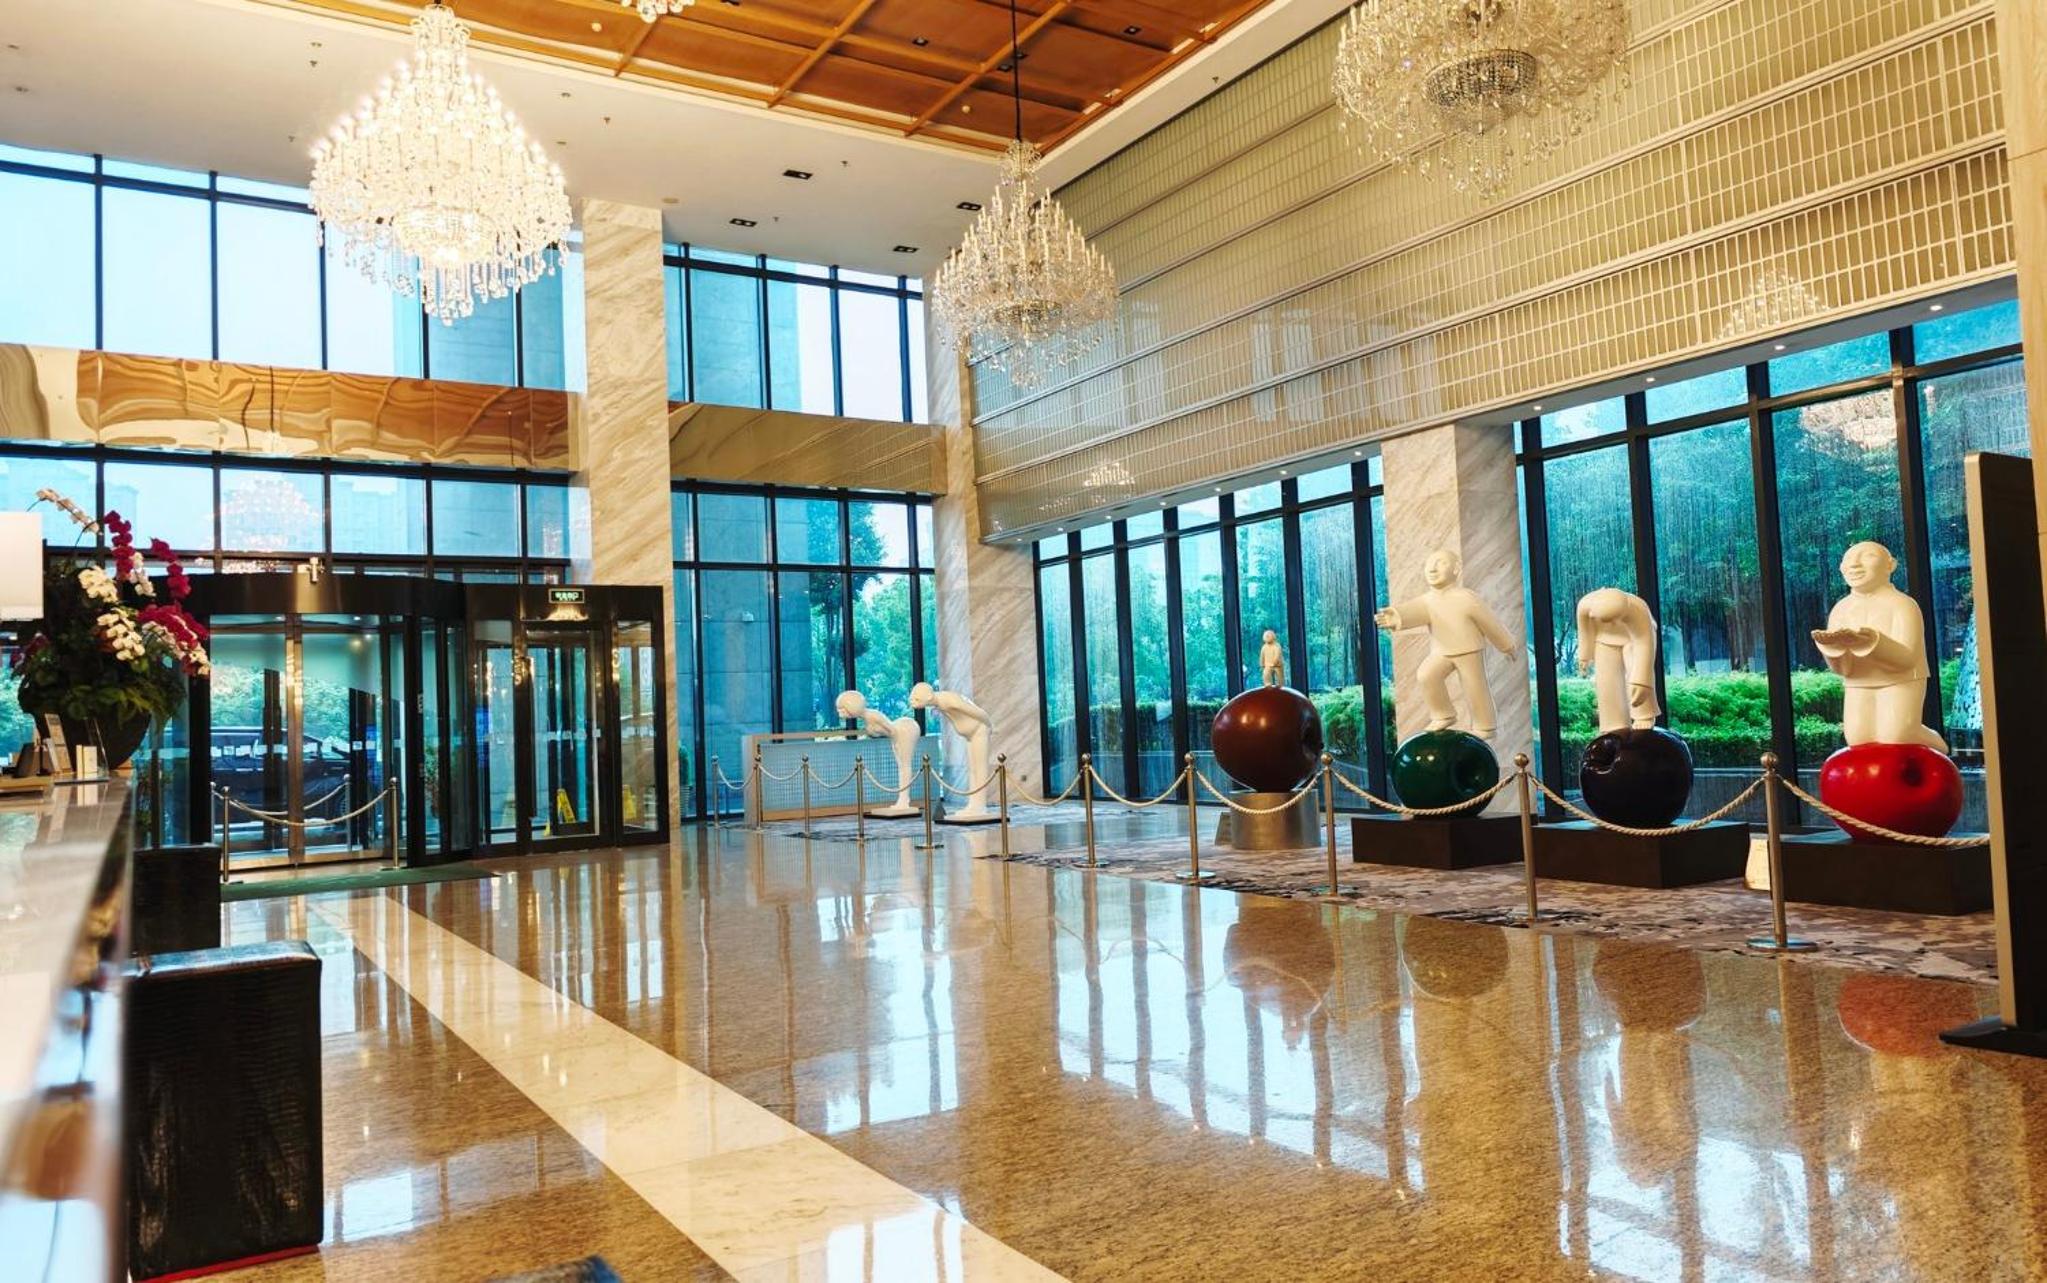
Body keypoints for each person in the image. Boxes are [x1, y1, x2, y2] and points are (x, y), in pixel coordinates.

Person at [1811, 541, 1947, 751]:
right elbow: (1842, 669)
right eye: (1847, 560)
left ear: (1890, 565)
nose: (1854, 565)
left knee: (1898, 735)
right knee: (1857, 738)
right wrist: (1831, 648)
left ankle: (1939, 747)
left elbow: (1907, 658)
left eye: (1868, 556)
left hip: (1900, 679)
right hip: (1859, 681)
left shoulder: (1903, 604)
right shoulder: (1841, 609)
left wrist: (1873, 642)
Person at [1374, 548, 1519, 739]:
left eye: (1440, 563)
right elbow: (1412, 612)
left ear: (1456, 569)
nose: (1432, 569)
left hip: (1469, 650)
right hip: (1441, 651)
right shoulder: (1427, 601)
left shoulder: (1466, 597)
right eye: (1428, 565)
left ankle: (1485, 726)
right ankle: (1443, 714)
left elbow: (1490, 623)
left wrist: (1507, 645)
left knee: (1474, 687)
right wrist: (1396, 617)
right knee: (1426, 674)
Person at [1575, 587, 1661, 733]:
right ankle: (1614, 723)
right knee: (1606, 682)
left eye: (1615, 620)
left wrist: (1642, 682)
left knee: (1638, 677)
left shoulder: (1638, 609)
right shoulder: (1585, 605)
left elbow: (1644, 645)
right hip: (1603, 639)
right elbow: (1585, 631)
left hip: (1633, 640)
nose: (1613, 624)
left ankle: (1643, 715)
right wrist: (1584, 656)